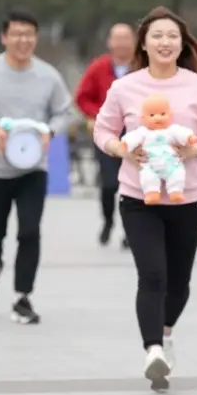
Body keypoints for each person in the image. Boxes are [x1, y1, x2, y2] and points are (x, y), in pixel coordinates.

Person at [93, 6, 197, 390]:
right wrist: (120, 149)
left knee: (180, 281)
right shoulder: (125, 87)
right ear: (144, 43)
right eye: (157, 36)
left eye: (172, 36)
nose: (165, 42)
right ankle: (153, 349)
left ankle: (165, 330)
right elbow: (102, 130)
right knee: (152, 274)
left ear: (183, 42)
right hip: (139, 197)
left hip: (188, 199)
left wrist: (196, 149)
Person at [0, 9, 73, 325]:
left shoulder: (49, 76)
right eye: (17, 34)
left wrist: (50, 130)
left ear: (36, 38)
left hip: (33, 170)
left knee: (30, 231)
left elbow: (65, 112)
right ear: (4, 37)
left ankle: (23, 297)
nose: (24, 40)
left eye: (29, 34)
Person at [74, 23, 136, 249]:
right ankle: (108, 220)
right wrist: (94, 116)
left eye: (126, 38)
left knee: (133, 186)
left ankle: (130, 231)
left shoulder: (142, 67)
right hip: (108, 135)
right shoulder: (99, 67)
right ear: (109, 42)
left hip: (137, 136)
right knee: (109, 184)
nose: (121, 43)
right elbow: (82, 97)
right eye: (116, 38)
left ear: (134, 41)